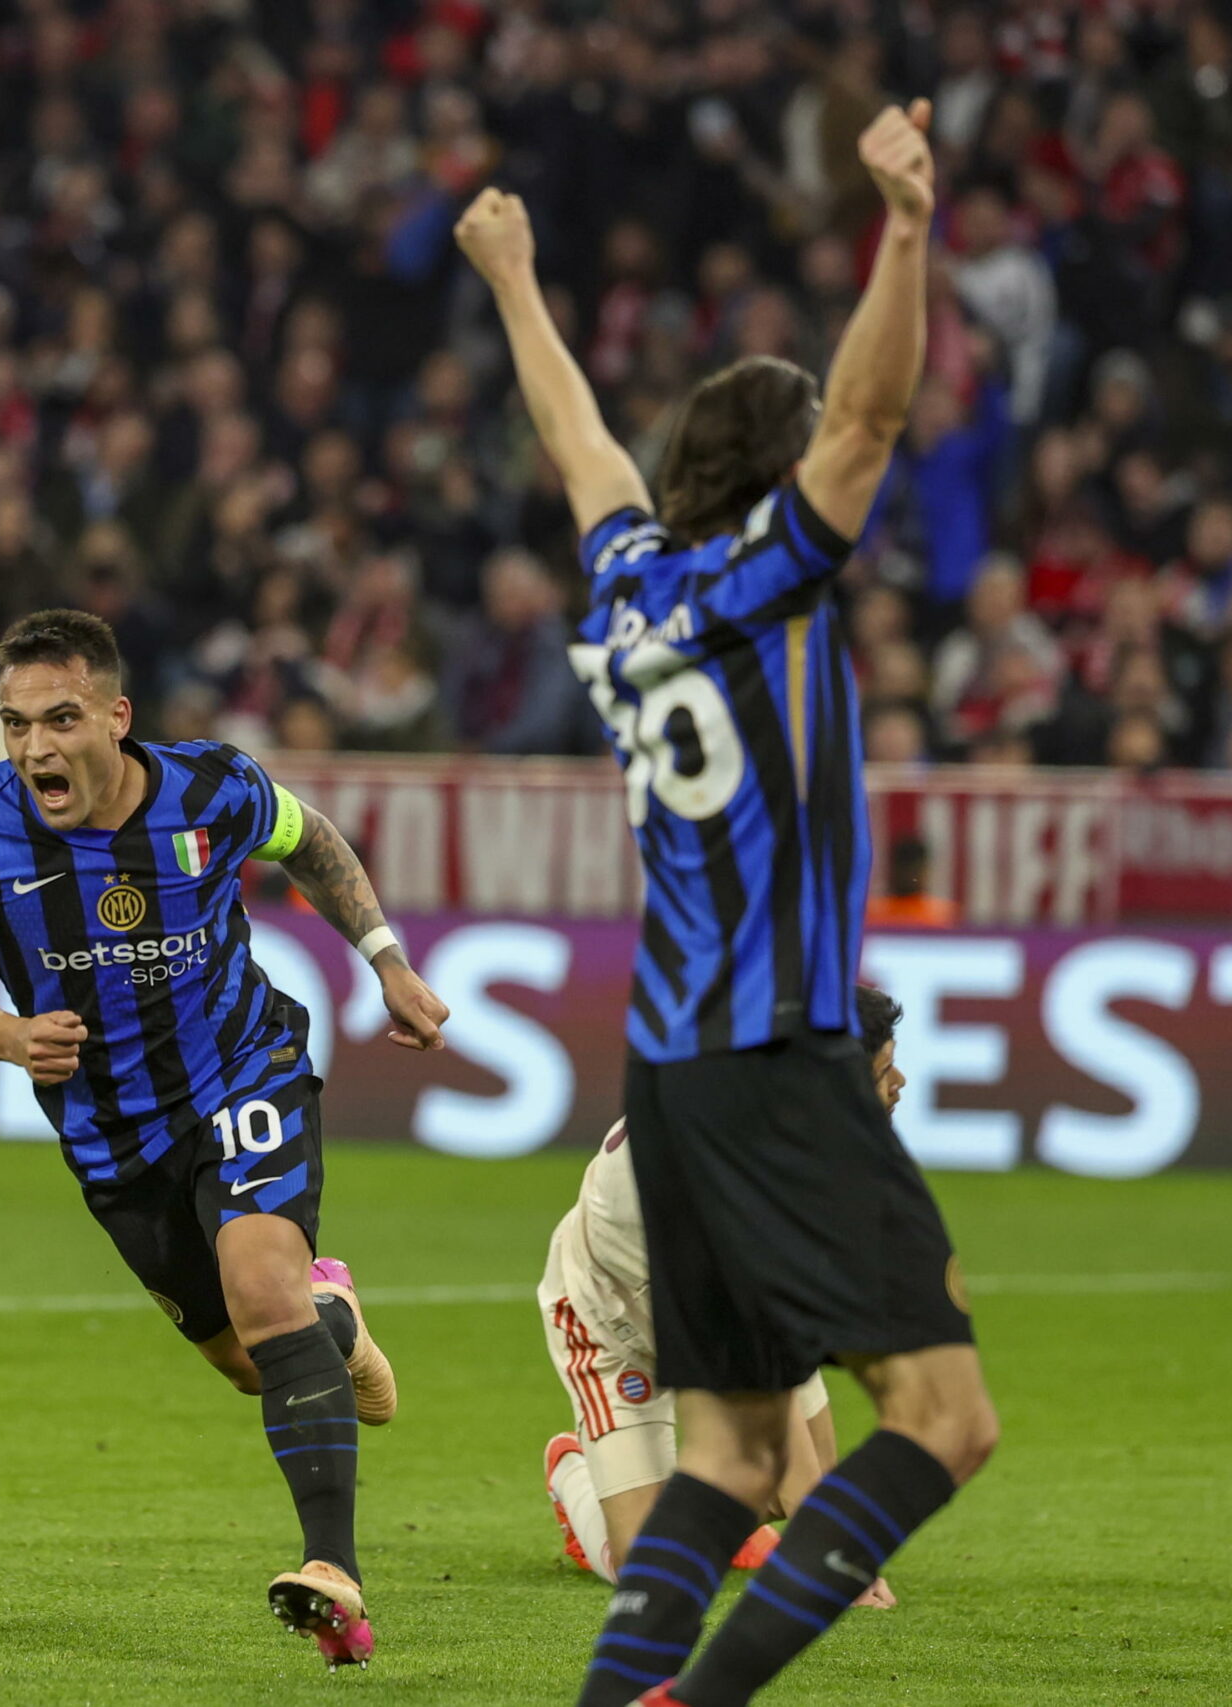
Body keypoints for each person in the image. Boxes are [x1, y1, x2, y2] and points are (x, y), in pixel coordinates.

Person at [457, 100, 999, 1707]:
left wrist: (514, 283)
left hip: (671, 1077)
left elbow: (583, 449)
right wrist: (907, 225)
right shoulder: (775, 586)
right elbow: (876, 411)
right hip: (780, 1052)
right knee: (946, 1418)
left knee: (735, 1455)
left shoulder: (635, 588)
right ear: (782, 478)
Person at [0, 609, 451, 1666]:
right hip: (111, 1135)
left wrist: (386, 959)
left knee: (261, 1289)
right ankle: (332, 1321)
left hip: (241, 1069)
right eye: (16, 724)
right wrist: (12, 1037)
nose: (35, 748)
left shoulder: (211, 787)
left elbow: (311, 841)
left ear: (117, 716)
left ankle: (333, 1572)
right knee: (251, 1360)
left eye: (61, 720)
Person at [541, 984, 908, 1615]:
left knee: (790, 1485)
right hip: (611, 1322)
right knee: (649, 1571)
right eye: (882, 1072)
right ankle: (574, 1474)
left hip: (721, 1312)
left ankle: (728, 1520)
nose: (899, 1083)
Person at [862, 835, 960, 927]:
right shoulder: (871, 912)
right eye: (905, 868)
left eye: (916, 869)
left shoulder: (944, 915)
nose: (910, 875)